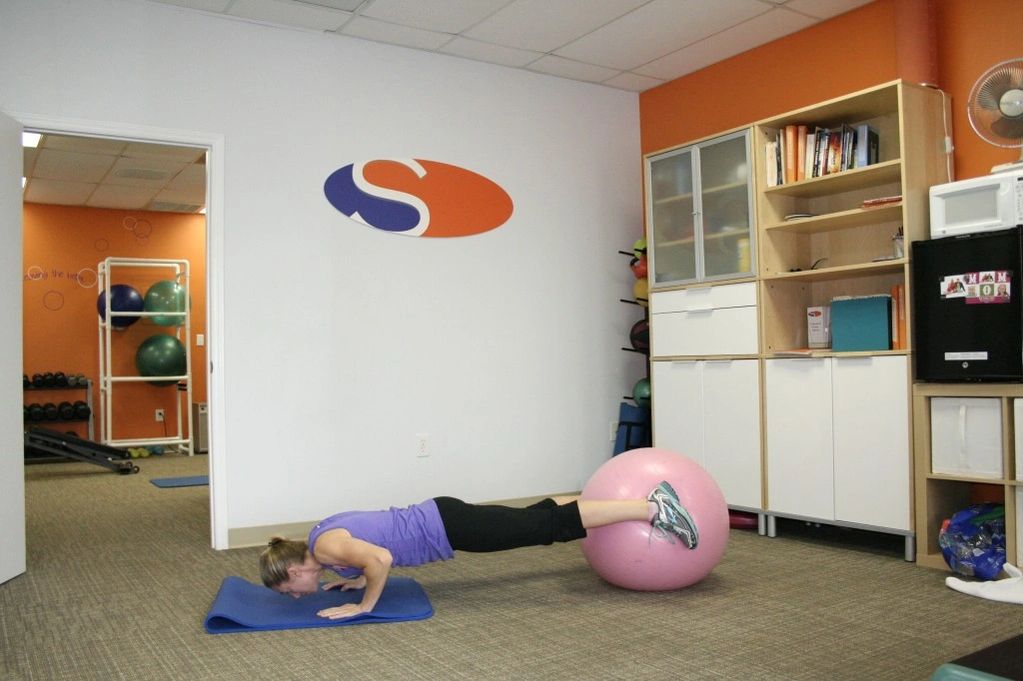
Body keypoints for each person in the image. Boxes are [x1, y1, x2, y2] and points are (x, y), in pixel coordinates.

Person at [259, 481, 698, 620]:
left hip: (450, 527)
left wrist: (363, 605)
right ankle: (606, 501)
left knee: (540, 527)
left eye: (289, 589)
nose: (297, 594)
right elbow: (371, 542)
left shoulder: (328, 545)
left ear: (296, 568)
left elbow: (383, 558)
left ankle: (652, 505)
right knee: (534, 517)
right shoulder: (322, 540)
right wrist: (354, 576)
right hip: (444, 516)